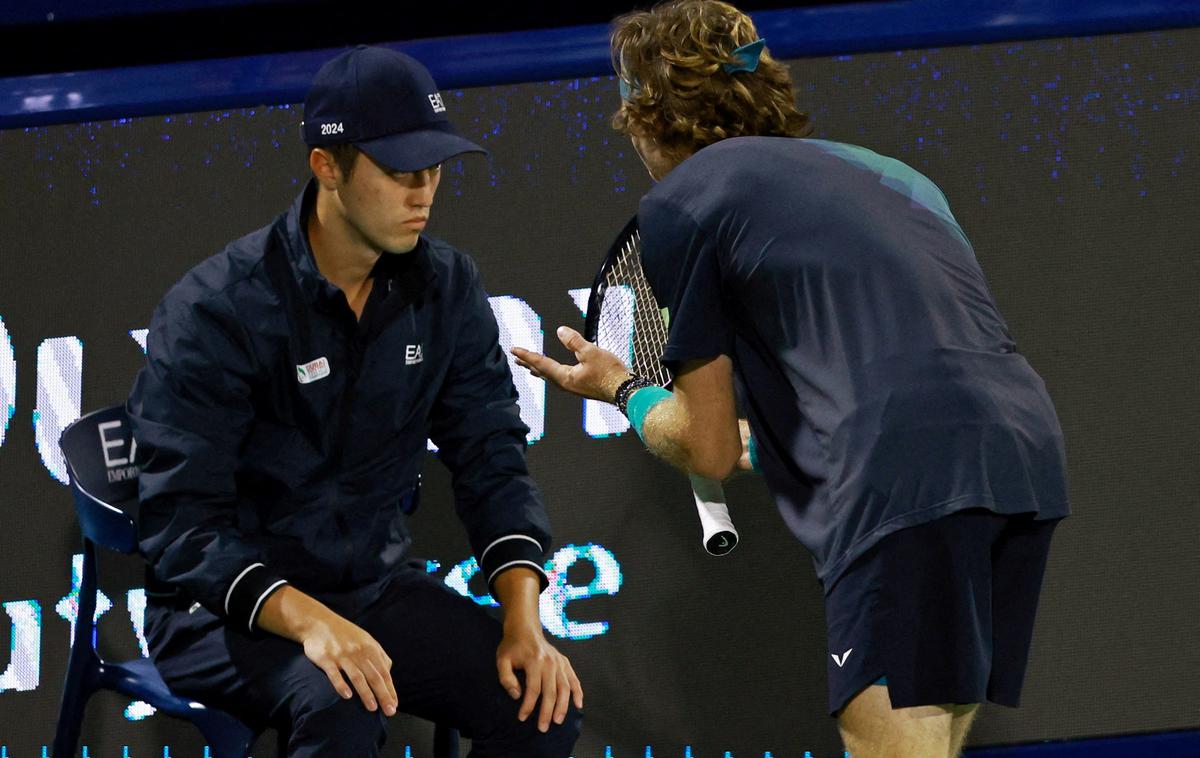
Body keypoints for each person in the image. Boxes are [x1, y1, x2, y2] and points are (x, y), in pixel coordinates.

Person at [511, 2, 1069, 756]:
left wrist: (622, 388)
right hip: (1022, 458)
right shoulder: (894, 175)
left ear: (645, 115)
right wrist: (778, 441)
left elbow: (705, 450)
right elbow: (902, 364)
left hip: (901, 478)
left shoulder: (683, 201)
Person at [128, 45, 582, 757]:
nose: (423, 192)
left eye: (433, 169)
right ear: (327, 167)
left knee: (540, 703)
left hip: (369, 591)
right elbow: (184, 527)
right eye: (400, 171)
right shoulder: (218, 309)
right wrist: (308, 621)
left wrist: (524, 621)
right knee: (342, 706)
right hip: (220, 615)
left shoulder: (447, 286)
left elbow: (491, 454)